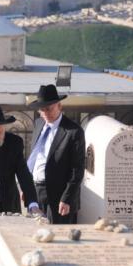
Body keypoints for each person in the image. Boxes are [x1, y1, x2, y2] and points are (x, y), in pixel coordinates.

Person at [27, 84, 85, 224]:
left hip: (60, 196)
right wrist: (26, 187)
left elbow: (77, 170)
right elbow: (34, 157)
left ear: (59, 106)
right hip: (36, 191)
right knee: (37, 233)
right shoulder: (39, 124)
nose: (45, 113)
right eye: (42, 110)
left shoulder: (73, 131)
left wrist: (67, 198)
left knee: (58, 237)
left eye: (49, 108)